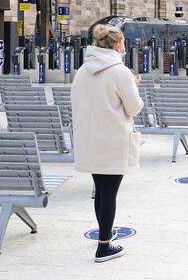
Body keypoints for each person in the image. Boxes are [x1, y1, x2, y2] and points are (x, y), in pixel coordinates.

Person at [71, 24, 144, 263]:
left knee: (100, 191)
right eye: (123, 42)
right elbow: (133, 108)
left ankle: (104, 231)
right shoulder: (120, 71)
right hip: (113, 139)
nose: (125, 47)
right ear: (116, 45)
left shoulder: (83, 70)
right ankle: (104, 246)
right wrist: (134, 86)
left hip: (90, 139)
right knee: (109, 193)